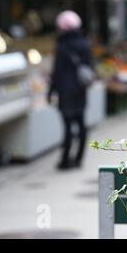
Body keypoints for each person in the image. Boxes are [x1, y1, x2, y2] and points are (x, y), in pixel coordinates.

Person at [48, 10, 92, 170]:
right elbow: (90, 66)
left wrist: (51, 91)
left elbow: (56, 72)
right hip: (80, 89)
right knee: (81, 124)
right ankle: (79, 158)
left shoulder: (61, 45)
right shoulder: (84, 42)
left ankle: (65, 159)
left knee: (67, 126)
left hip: (65, 90)